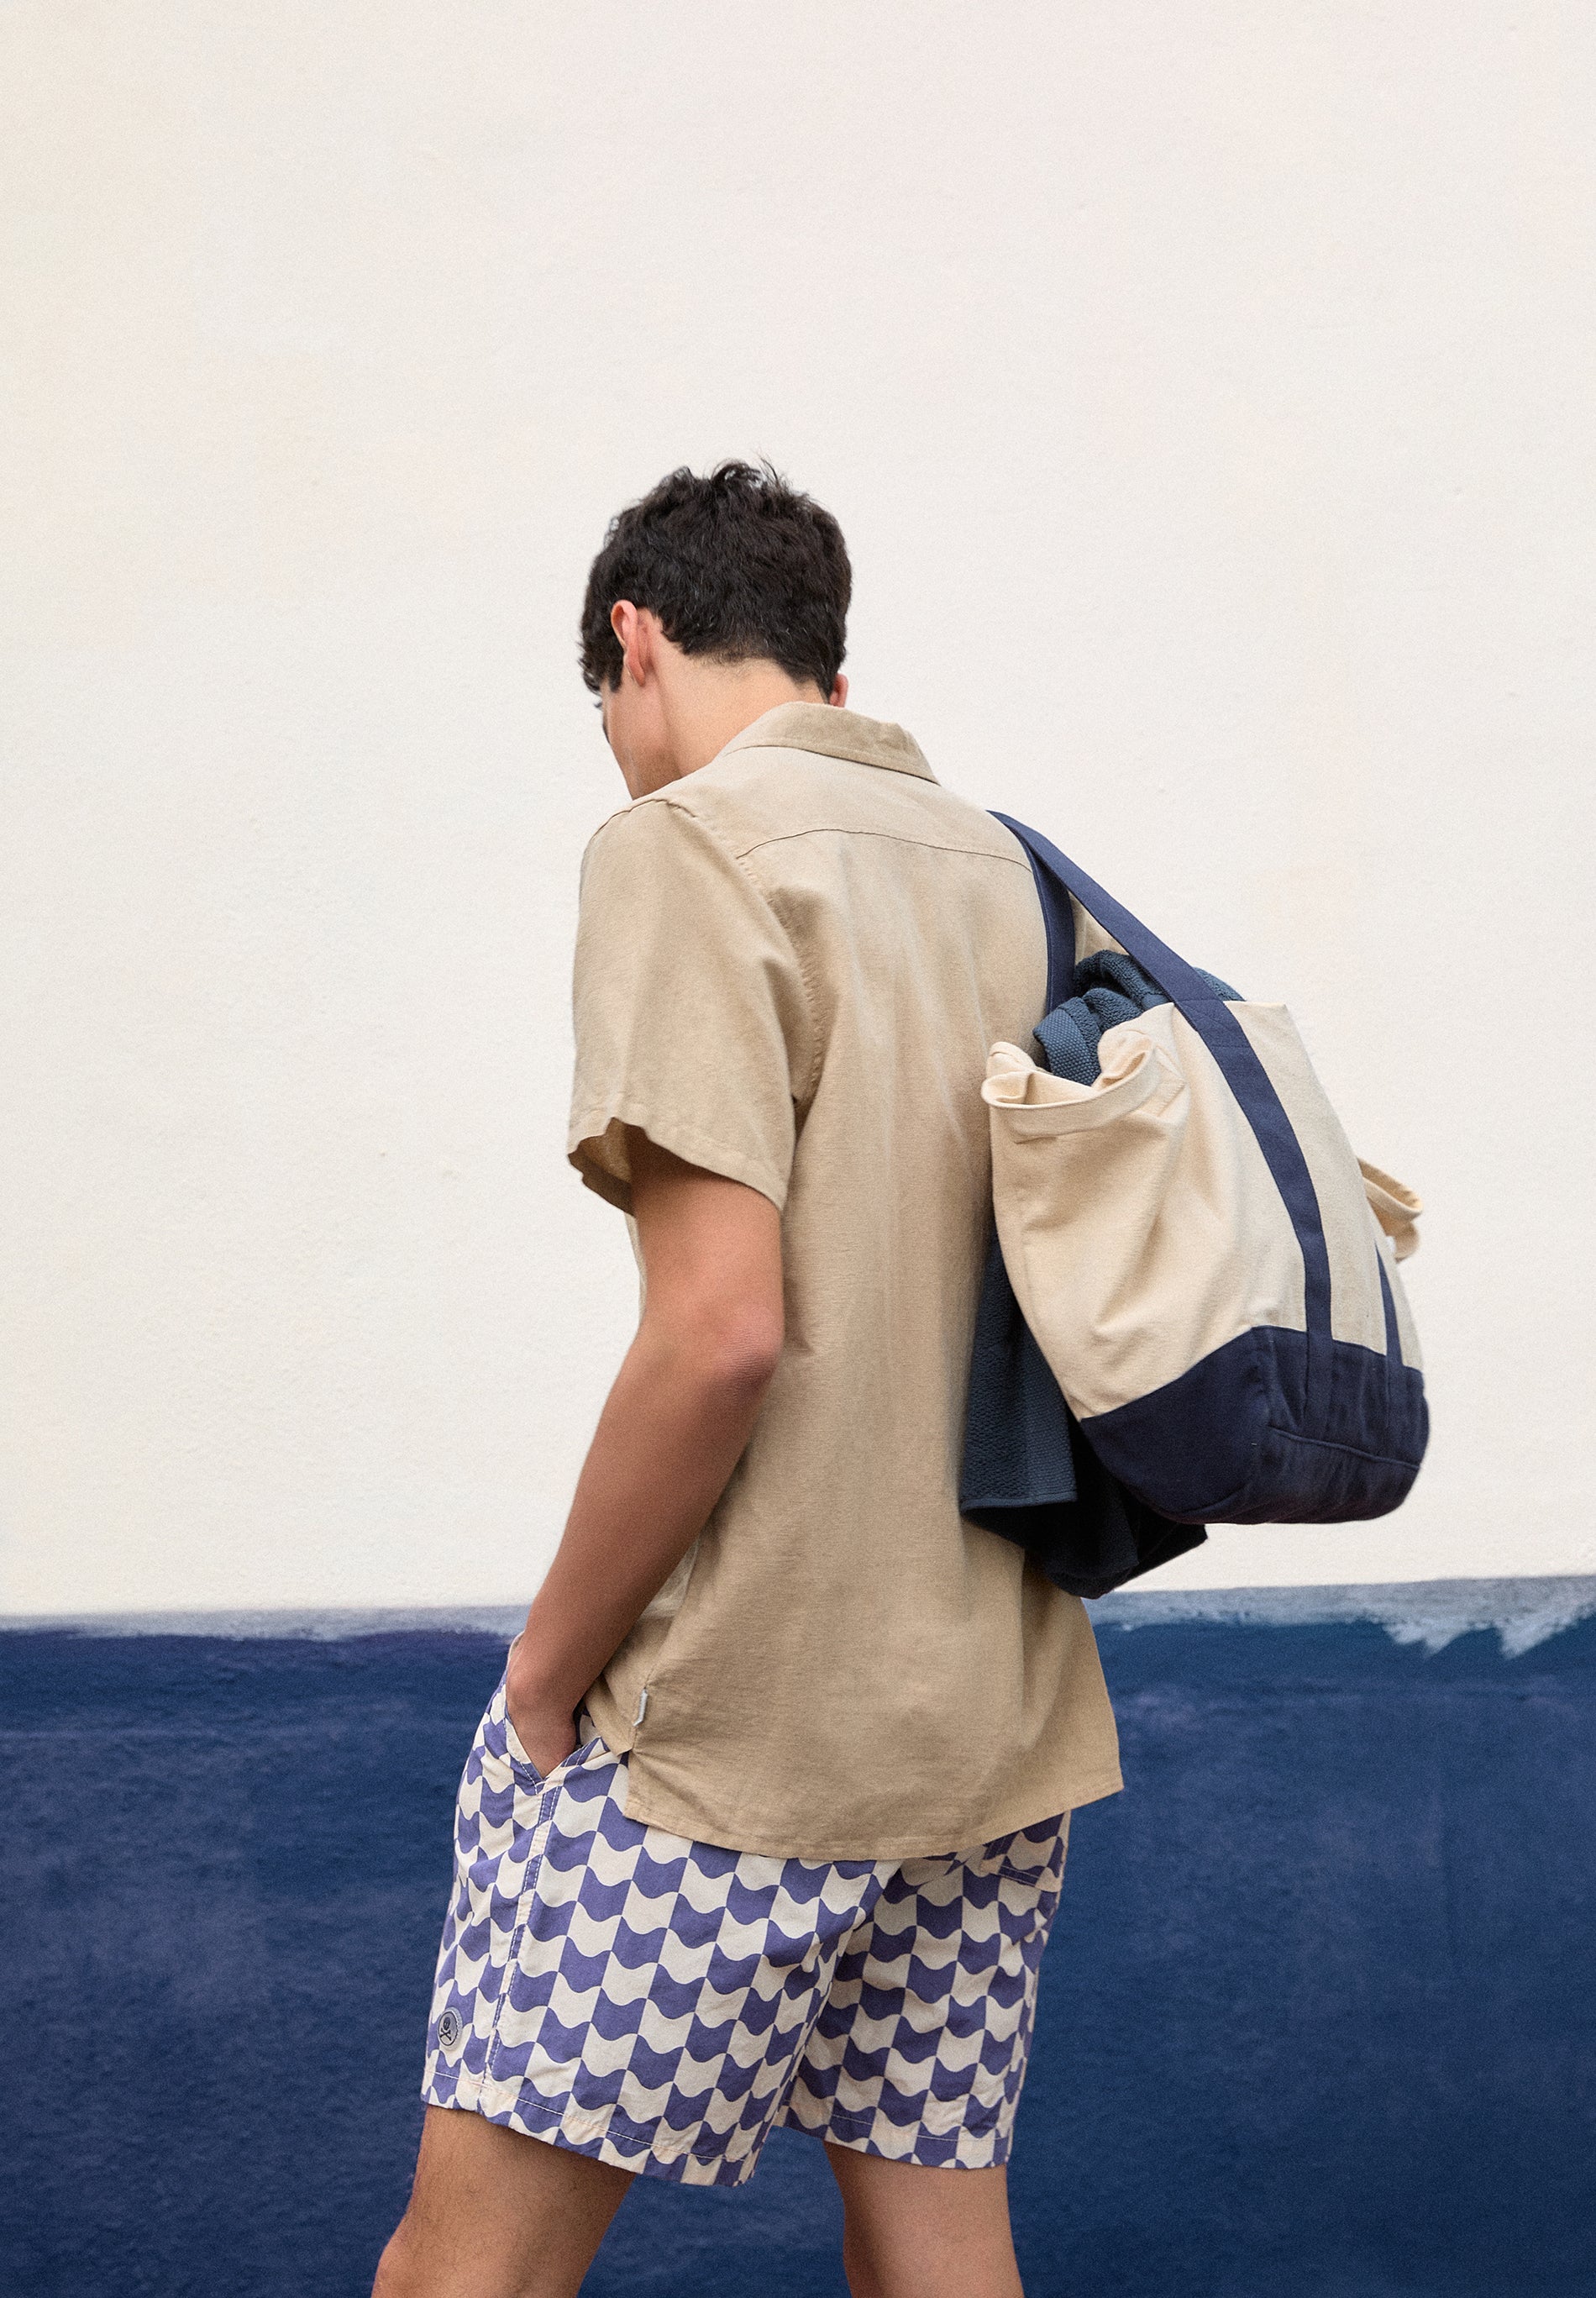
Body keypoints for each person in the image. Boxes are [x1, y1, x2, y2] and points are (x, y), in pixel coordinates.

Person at [374, 461, 1121, 2298]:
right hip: (989, 1723)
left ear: (633, 643)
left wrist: (543, 1680)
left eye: (606, 707)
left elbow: (719, 1333)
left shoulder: (687, 847)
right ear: (828, 669)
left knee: (462, 2275)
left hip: (726, 1737)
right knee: (937, 2255)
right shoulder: (1015, 876)